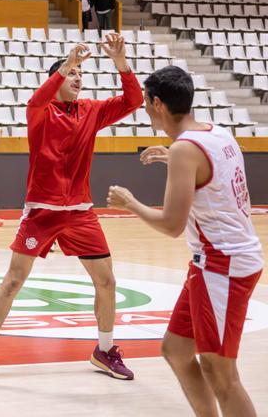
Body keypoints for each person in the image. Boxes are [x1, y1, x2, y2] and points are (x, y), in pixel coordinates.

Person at [0, 33, 143, 391]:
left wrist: (121, 63)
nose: (78, 78)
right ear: (58, 77)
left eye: (81, 74)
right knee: (13, 281)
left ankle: (104, 350)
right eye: (72, 73)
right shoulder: (39, 111)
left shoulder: (91, 110)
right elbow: (37, 97)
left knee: (107, 281)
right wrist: (65, 64)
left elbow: (134, 100)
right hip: (42, 212)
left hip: (80, 212)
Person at [107, 66, 262, 417]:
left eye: (146, 102)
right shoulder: (216, 133)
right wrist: (173, 158)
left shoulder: (184, 151)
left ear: (158, 104)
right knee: (176, 349)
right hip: (216, 262)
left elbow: (172, 225)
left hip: (224, 265)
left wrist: (130, 203)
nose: (145, 108)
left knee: (222, 374)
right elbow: (211, 174)